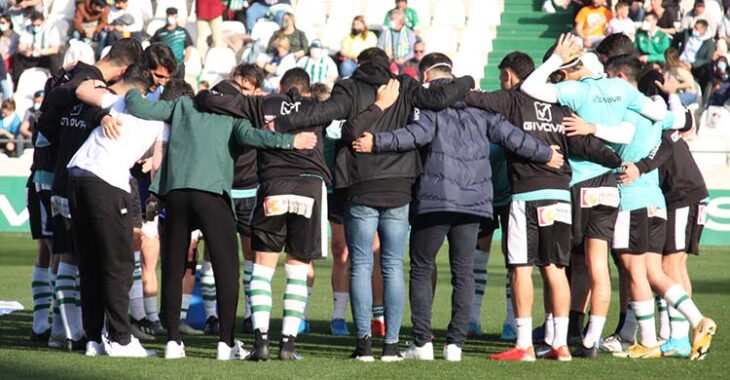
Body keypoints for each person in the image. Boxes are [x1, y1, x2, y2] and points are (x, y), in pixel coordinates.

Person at [352, 53, 563, 362]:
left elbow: (414, 136)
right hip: (474, 204)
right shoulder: (480, 106)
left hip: (435, 200)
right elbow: (513, 137)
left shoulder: (428, 106)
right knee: (463, 272)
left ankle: (422, 344)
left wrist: (377, 142)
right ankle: (455, 346)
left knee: (422, 268)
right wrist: (546, 154)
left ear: (427, 77)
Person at [283, 47, 474, 362]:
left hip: (361, 185)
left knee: (360, 264)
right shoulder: (406, 84)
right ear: (389, 64)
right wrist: (466, 79)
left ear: (359, 64)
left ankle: (364, 346)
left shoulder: (348, 86)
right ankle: (391, 346)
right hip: (399, 186)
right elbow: (440, 99)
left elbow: (322, 114)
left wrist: (284, 121)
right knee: (392, 266)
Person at [116, 68, 317, 361]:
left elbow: (140, 106)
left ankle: (172, 341)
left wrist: (131, 87)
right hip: (212, 195)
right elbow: (257, 138)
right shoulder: (233, 115)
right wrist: (292, 142)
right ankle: (225, 343)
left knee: (173, 268)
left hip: (176, 193)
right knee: (226, 270)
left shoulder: (183, 104)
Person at [520, 34, 673, 358]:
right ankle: (591, 340)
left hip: (577, 183)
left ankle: (557, 334)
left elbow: (528, 88)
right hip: (609, 186)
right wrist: (598, 128)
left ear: (565, 70)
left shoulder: (574, 91)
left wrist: (553, 60)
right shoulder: (620, 89)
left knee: (559, 263)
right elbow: (651, 120)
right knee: (598, 265)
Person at [602, 57, 715, 361]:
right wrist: (672, 97)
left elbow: (665, 144)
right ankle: (675, 331)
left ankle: (676, 335)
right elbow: (686, 123)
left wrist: (639, 166)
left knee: (668, 267)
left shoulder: (645, 110)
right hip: (669, 196)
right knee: (662, 268)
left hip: (679, 194)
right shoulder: (662, 111)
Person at [37, 38, 145, 352]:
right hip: (83, 179)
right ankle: (74, 333)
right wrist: (100, 115)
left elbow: (45, 123)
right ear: (124, 70)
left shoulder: (71, 80)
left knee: (65, 255)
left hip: (60, 175)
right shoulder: (97, 90)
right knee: (83, 258)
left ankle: (63, 330)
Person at [66, 64, 163, 357]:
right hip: (107, 181)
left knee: (91, 262)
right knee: (119, 264)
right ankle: (120, 339)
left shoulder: (116, 100)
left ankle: (93, 338)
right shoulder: (160, 116)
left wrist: (109, 103)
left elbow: (80, 89)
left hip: (77, 173)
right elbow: (158, 162)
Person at [11, 11, 62, 88]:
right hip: (31, 57)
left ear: (43, 21)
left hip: (45, 57)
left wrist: (40, 52)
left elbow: (55, 49)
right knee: (17, 57)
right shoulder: (28, 29)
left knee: (54, 58)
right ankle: (16, 83)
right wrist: (25, 51)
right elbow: (21, 46)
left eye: (38, 25)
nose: (35, 27)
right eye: (33, 25)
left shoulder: (51, 29)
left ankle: (58, 84)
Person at [150, 8, 192, 79]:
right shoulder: (160, 32)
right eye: (169, 15)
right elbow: (153, 47)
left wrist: (184, 61)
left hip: (179, 64)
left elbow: (188, 47)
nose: (171, 17)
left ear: (176, 16)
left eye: (173, 15)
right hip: (164, 65)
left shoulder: (182, 32)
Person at [675, 19, 716, 91]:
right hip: (679, 60)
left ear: (703, 30)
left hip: (693, 66)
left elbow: (707, 59)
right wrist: (674, 53)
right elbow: (675, 39)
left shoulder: (710, 43)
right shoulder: (687, 33)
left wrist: (693, 64)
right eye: (694, 27)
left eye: (697, 29)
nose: (694, 29)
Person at [378, 9, 416, 74]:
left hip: (405, 63)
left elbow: (413, 50)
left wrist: (404, 59)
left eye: (393, 19)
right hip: (389, 63)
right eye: (391, 19)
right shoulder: (385, 33)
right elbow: (379, 48)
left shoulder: (409, 33)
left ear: (400, 21)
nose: (390, 21)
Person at [0, 14, 18, 99]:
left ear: (9, 23)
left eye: (3, 22)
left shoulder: (14, 36)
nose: (1, 24)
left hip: (8, 62)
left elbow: (11, 51)